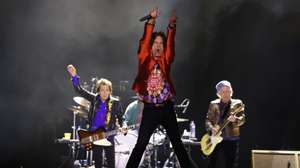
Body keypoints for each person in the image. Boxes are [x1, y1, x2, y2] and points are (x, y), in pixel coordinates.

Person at [125, 7, 193, 168]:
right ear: (151, 45)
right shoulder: (144, 59)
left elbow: (170, 44)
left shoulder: (166, 60)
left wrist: (171, 26)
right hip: (150, 109)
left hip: (167, 108)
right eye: (155, 43)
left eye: (161, 44)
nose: (158, 46)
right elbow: (144, 41)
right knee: (140, 145)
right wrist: (151, 21)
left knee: (178, 144)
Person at [67, 64, 124, 168]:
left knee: (111, 163)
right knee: (97, 163)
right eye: (102, 90)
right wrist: (74, 76)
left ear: (110, 91)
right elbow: (79, 90)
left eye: (107, 90)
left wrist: (123, 126)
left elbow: (121, 117)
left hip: (109, 135)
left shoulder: (115, 103)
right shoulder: (94, 99)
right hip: (95, 135)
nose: (105, 92)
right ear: (98, 91)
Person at [205, 80, 246, 168]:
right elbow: (208, 120)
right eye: (223, 92)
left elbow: (242, 119)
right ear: (218, 93)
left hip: (231, 138)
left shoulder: (237, 103)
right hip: (215, 138)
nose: (226, 94)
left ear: (231, 91)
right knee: (212, 163)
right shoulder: (213, 104)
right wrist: (212, 128)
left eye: (228, 91)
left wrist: (235, 119)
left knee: (231, 164)